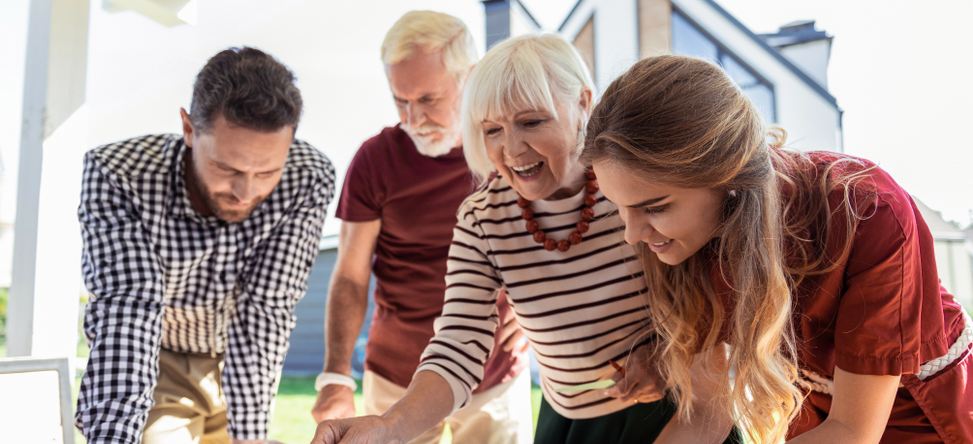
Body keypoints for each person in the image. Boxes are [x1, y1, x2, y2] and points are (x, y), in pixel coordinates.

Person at [311, 33, 696, 444]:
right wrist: (390, 426)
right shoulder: (482, 219)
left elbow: (705, 283)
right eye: (492, 129)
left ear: (583, 103)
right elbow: (459, 343)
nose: (511, 149)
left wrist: (672, 353)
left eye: (532, 122)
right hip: (568, 421)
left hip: (675, 408)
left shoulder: (632, 183)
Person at [581, 54, 973, 443]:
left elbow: (854, 431)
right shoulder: (689, 245)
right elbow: (703, 416)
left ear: (726, 175)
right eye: (620, 209)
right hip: (816, 421)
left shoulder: (869, 211)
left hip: (924, 418)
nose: (632, 235)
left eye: (655, 208)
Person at [76, 47, 335, 444]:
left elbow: (265, 309)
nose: (246, 192)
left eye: (267, 172)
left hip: (245, 362)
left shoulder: (308, 178)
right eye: (226, 168)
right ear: (189, 129)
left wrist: (250, 438)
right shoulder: (119, 176)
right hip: (161, 364)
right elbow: (127, 315)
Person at [309, 10, 532, 444]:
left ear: (469, 78)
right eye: (400, 100)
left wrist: (533, 312)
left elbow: (547, 240)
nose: (412, 118)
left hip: (495, 374)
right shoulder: (374, 160)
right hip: (396, 375)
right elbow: (351, 275)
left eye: (428, 99)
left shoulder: (509, 151)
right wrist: (335, 374)